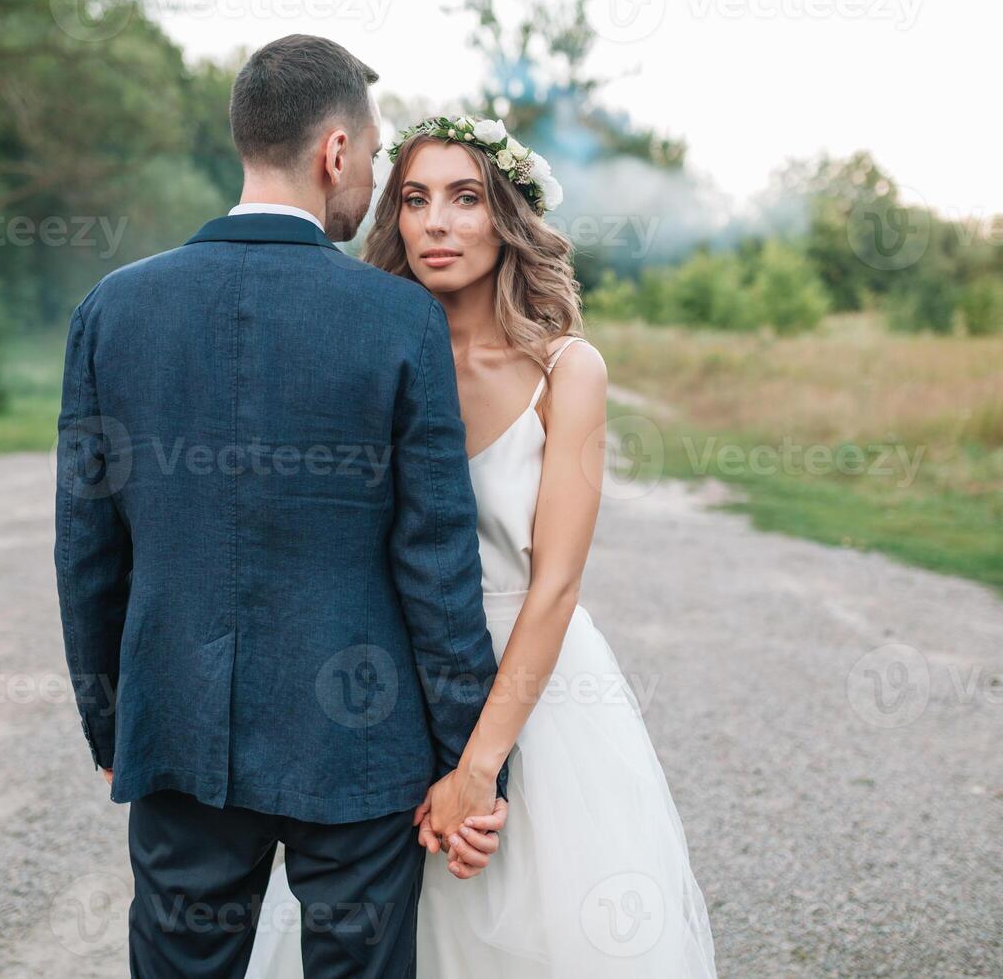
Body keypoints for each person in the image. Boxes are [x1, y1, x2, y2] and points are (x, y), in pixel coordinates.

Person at [54, 34, 508, 978]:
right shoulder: (399, 320)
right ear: (334, 151)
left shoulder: (113, 309)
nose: (375, 183)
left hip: (174, 731)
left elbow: (88, 553)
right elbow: (436, 560)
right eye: (378, 158)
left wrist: (113, 724)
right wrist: (472, 757)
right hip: (362, 744)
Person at [244, 114, 718, 976]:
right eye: (416, 199)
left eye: (466, 198)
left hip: (535, 692)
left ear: (508, 217)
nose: (437, 222)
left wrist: (477, 768)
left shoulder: (567, 369)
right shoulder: (364, 355)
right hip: (386, 685)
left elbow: (557, 588)